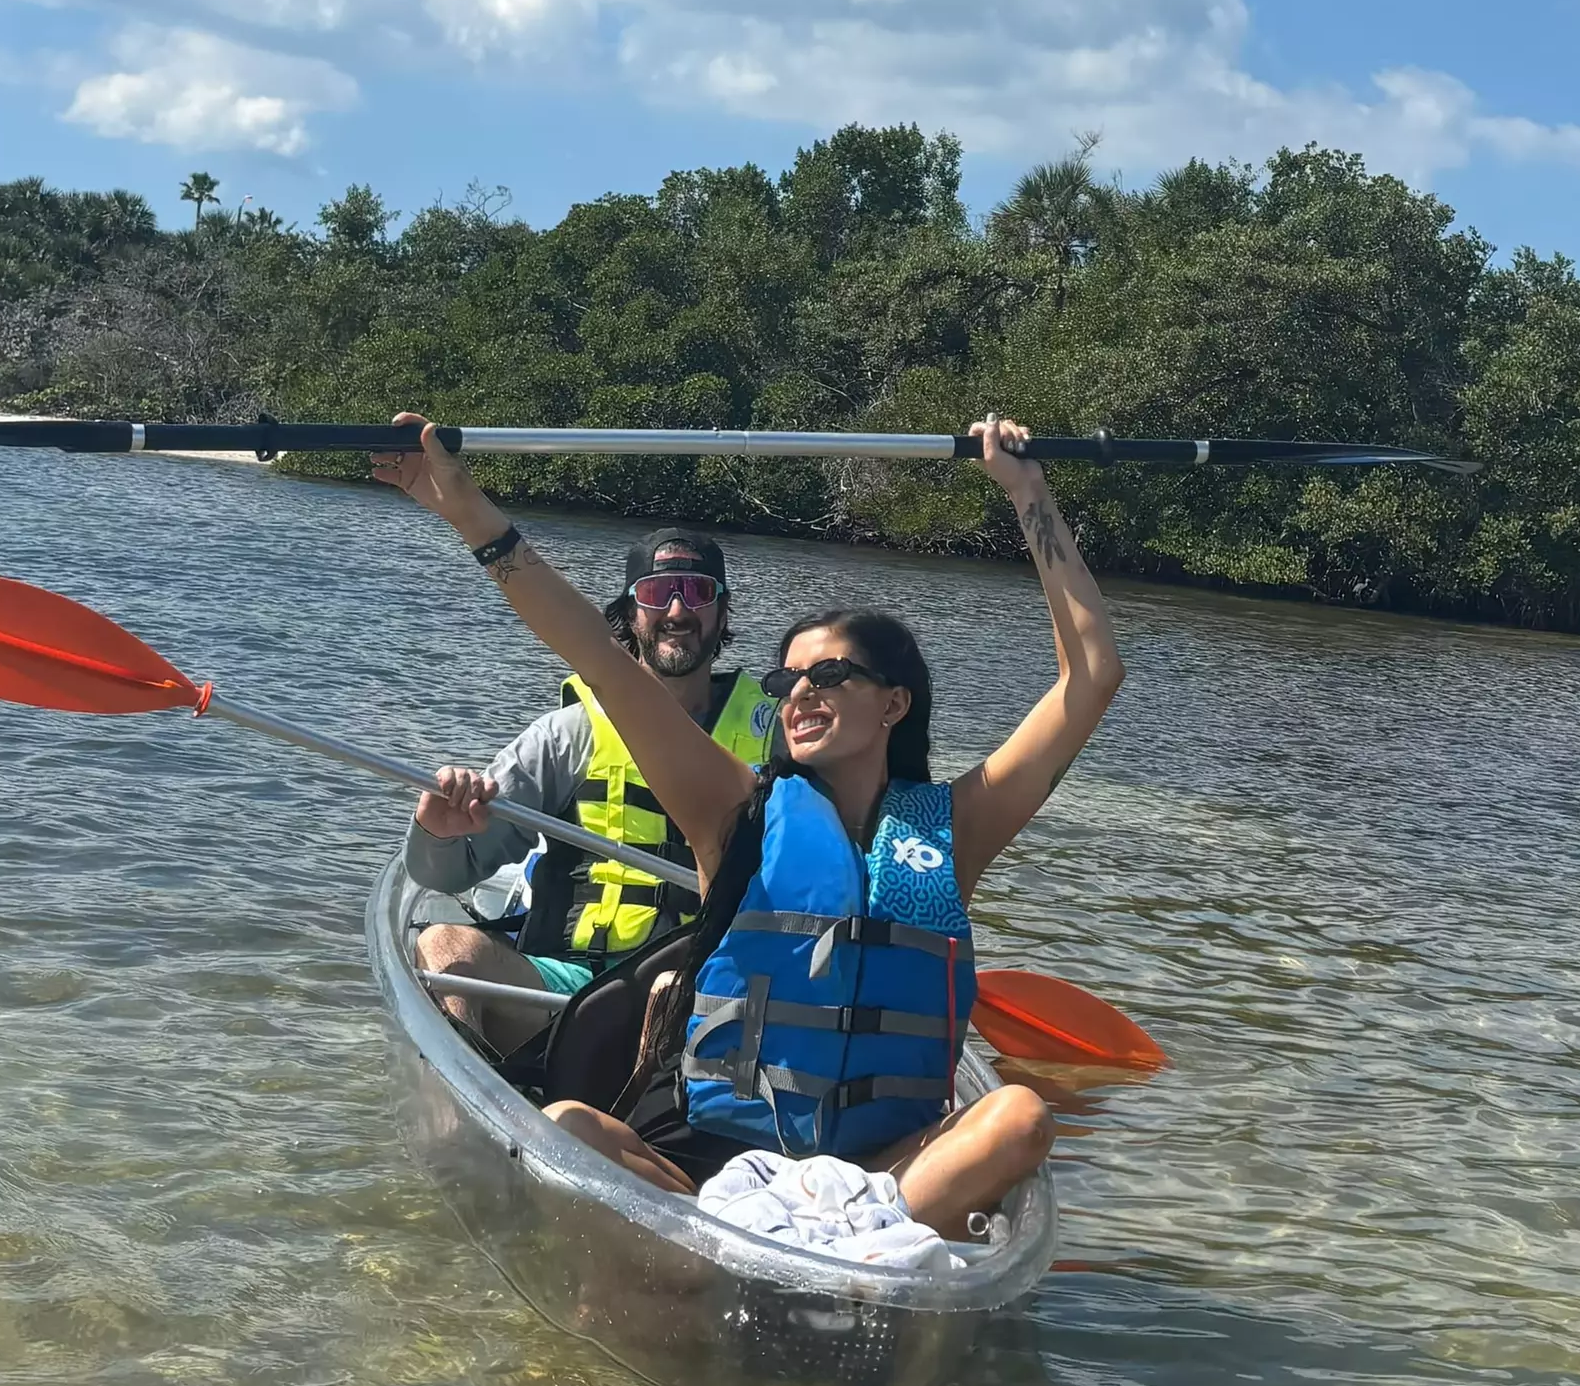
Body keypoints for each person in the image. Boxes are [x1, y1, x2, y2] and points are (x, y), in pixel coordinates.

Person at [375, 414, 1123, 1238]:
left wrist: (1028, 493)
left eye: (829, 675)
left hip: (879, 1172)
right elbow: (596, 652)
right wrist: (468, 511)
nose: (797, 694)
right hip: (717, 1167)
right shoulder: (734, 811)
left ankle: (847, 1237)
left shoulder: (953, 830)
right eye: (787, 677)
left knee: (1017, 1115)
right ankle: (763, 1241)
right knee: (572, 1128)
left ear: (895, 703)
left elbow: (1091, 677)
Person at [407, 528, 777, 1050]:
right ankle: (470, 1106)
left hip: (707, 992)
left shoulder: (777, 733)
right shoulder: (565, 736)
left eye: (696, 592)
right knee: (444, 948)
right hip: (569, 990)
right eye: (655, 593)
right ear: (629, 615)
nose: (677, 610)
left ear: (722, 613)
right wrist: (438, 834)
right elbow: (440, 875)